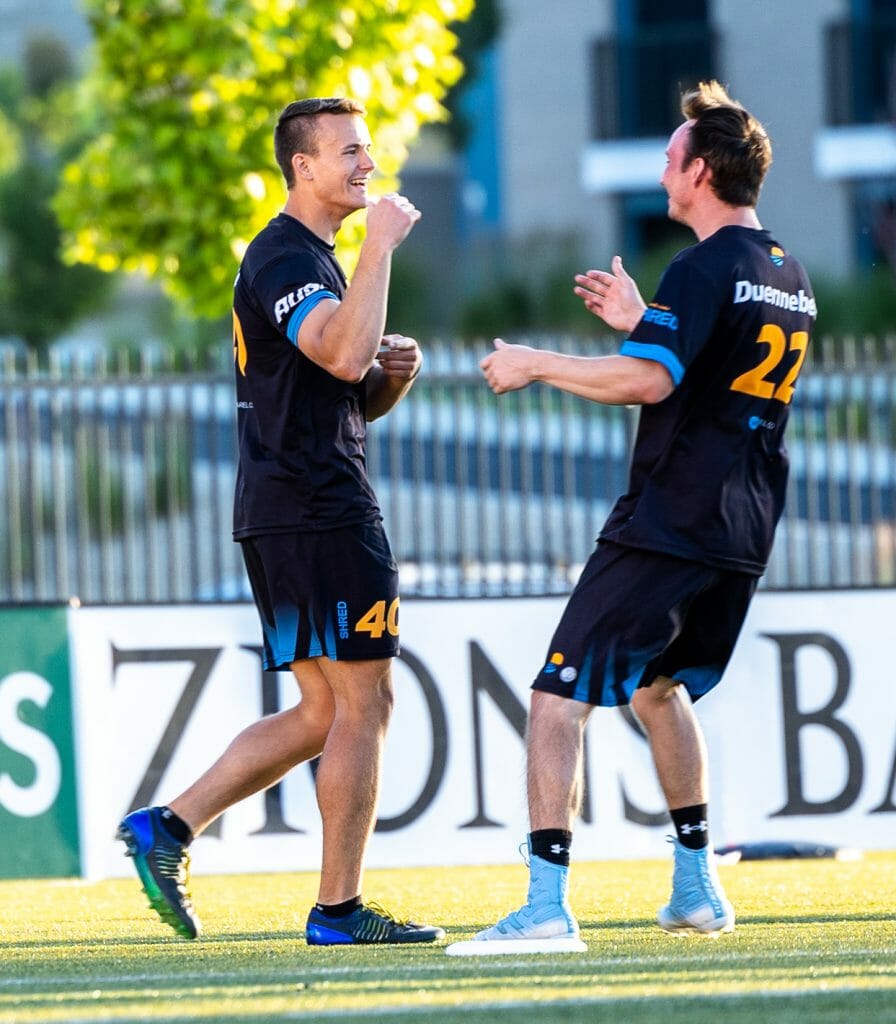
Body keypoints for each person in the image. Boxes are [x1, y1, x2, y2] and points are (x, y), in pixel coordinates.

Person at [455, 81, 816, 952]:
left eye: (670, 156)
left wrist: (539, 363)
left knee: (555, 699)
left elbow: (650, 382)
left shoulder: (702, 266)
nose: (662, 167)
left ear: (701, 172)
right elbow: (693, 367)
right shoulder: (786, 273)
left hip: (670, 519)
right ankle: (697, 887)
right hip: (742, 527)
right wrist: (642, 321)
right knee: (659, 689)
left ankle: (545, 908)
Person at [117, 97, 444, 947]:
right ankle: (338, 911)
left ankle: (169, 828)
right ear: (302, 165)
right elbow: (338, 352)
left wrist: (391, 378)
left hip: (287, 505)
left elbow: (341, 389)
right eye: (349, 151)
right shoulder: (284, 256)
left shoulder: (311, 260)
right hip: (318, 509)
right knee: (364, 706)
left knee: (317, 713)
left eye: (366, 149)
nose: (366, 164)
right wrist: (380, 249)